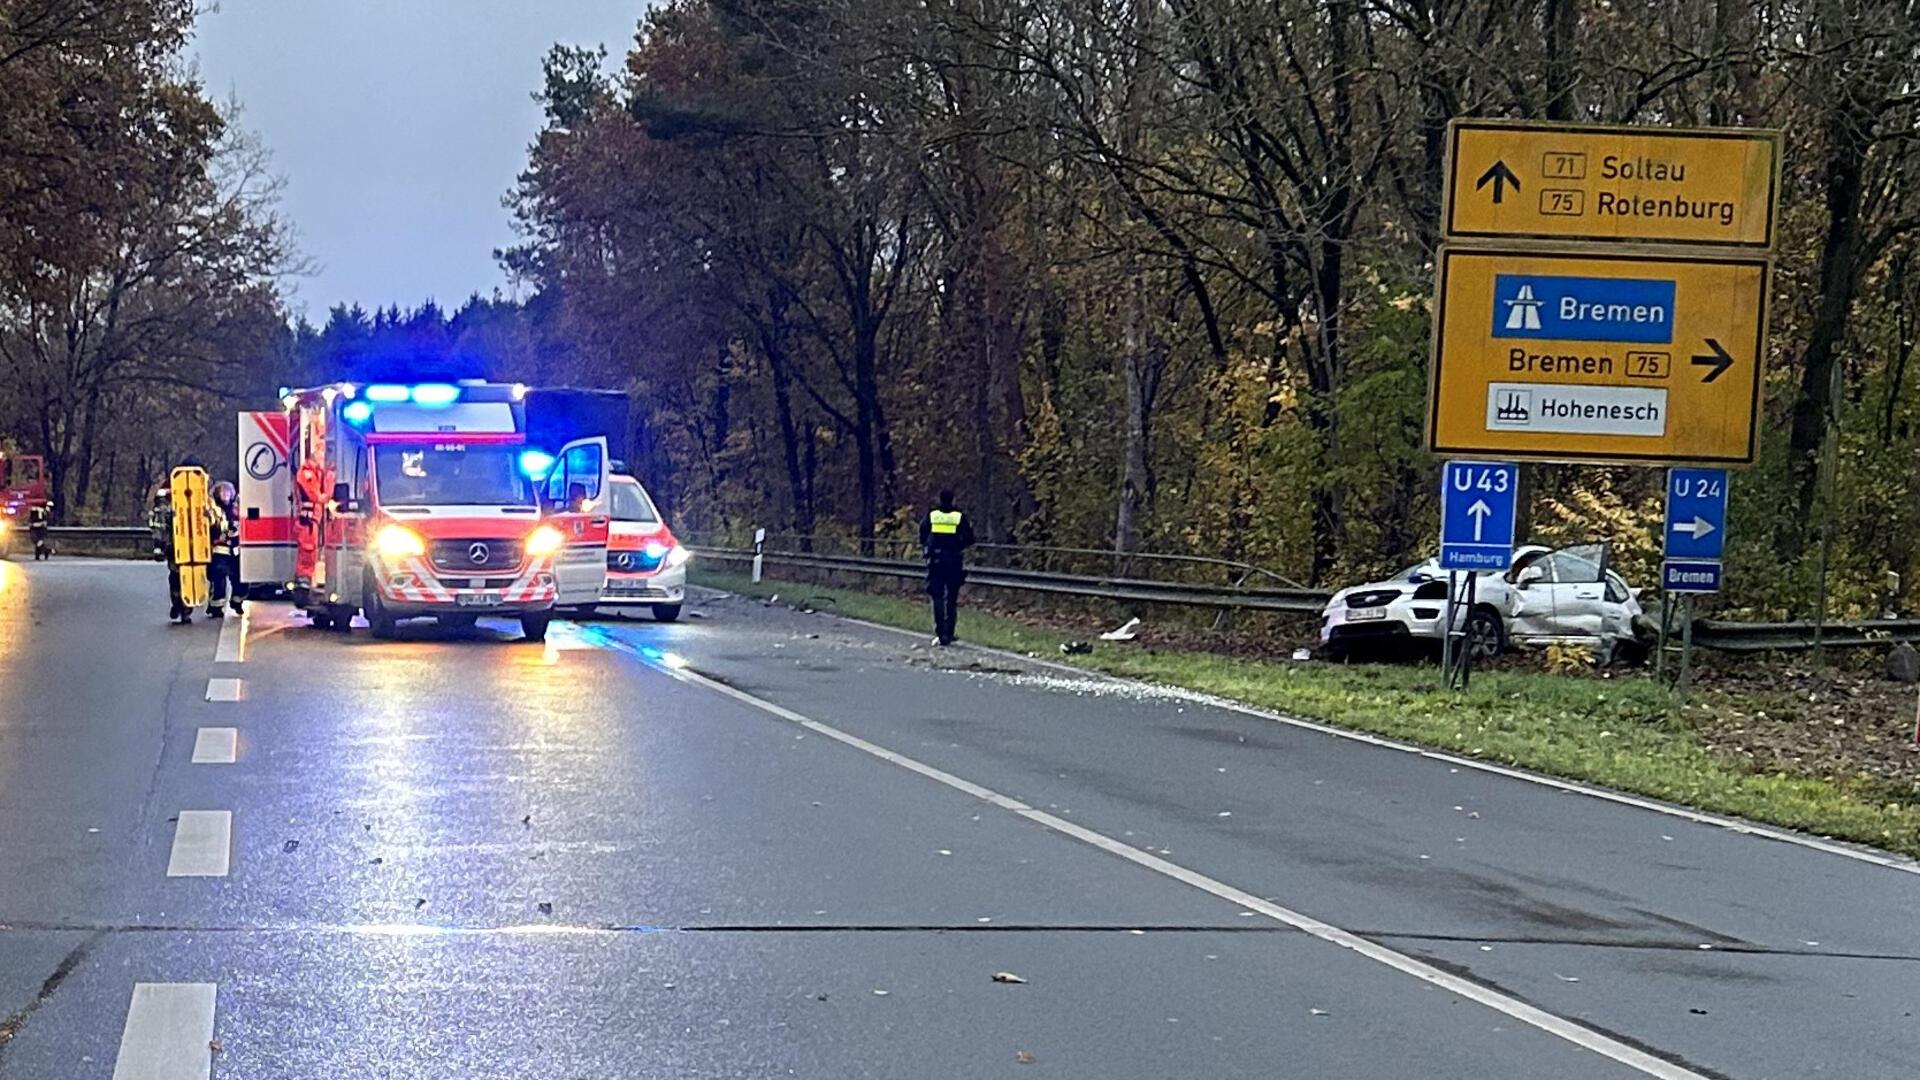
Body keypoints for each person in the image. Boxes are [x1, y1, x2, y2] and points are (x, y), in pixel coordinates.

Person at [919, 489, 975, 646]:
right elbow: (970, 538)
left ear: (939, 499)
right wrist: (958, 546)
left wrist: (929, 547)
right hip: (954, 561)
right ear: (953, 500)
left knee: (937, 596)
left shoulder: (932, 516)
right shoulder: (959, 517)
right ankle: (949, 632)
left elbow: (922, 535)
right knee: (951, 598)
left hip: (936, 560)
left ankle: (940, 631)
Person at [205, 480, 243, 618]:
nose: (225, 496)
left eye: (228, 492)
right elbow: (211, 525)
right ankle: (215, 607)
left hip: (236, 550)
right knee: (219, 577)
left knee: (242, 579)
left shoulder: (237, 509)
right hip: (220, 550)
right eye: (222, 493)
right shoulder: (213, 510)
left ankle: (237, 601)